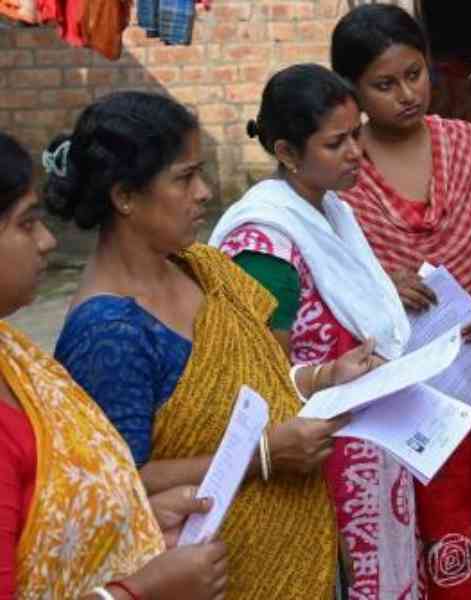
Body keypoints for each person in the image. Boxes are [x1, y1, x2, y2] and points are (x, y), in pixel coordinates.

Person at [47, 92, 380, 599]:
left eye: (200, 174)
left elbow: (257, 382)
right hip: (216, 576)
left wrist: (322, 376)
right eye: (184, 178)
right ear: (125, 197)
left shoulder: (204, 269)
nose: (205, 192)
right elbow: (116, 487)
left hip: (303, 547)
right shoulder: (108, 332)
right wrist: (263, 455)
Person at [331, 5, 471, 598]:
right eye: (384, 84)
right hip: (398, 405)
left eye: (415, 74)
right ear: (351, 92)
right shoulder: (343, 177)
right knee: (420, 554)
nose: (406, 94)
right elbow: (327, 300)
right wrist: (380, 292)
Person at [207, 64, 417, 596]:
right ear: (286, 152)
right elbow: (263, 380)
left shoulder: (331, 213)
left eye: (356, 134)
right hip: (312, 464)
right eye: (335, 142)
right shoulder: (264, 245)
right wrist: (327, 376)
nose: (355, 152)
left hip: (364, 453)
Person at [0, 132, 227, 599]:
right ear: (124, 198)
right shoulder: (107, 330)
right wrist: (137, 591)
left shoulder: (17, 360)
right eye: (26, 224)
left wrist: (133, 525)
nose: (47, 242)